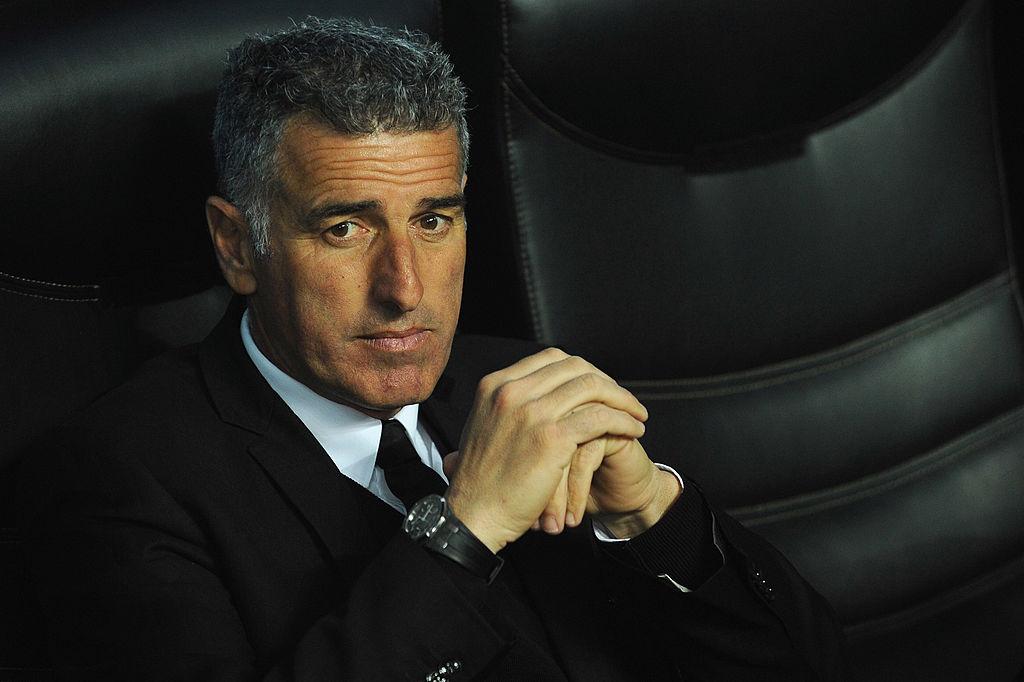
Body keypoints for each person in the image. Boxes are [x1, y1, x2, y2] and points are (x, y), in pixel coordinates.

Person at [19, 18, 844, 681]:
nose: (405, 289)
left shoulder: (516, 382)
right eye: (345, 227)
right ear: (237, 247)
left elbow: (810, 663)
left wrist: (652, 517)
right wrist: (463, 530)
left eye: (433, 220)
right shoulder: (117, 481)